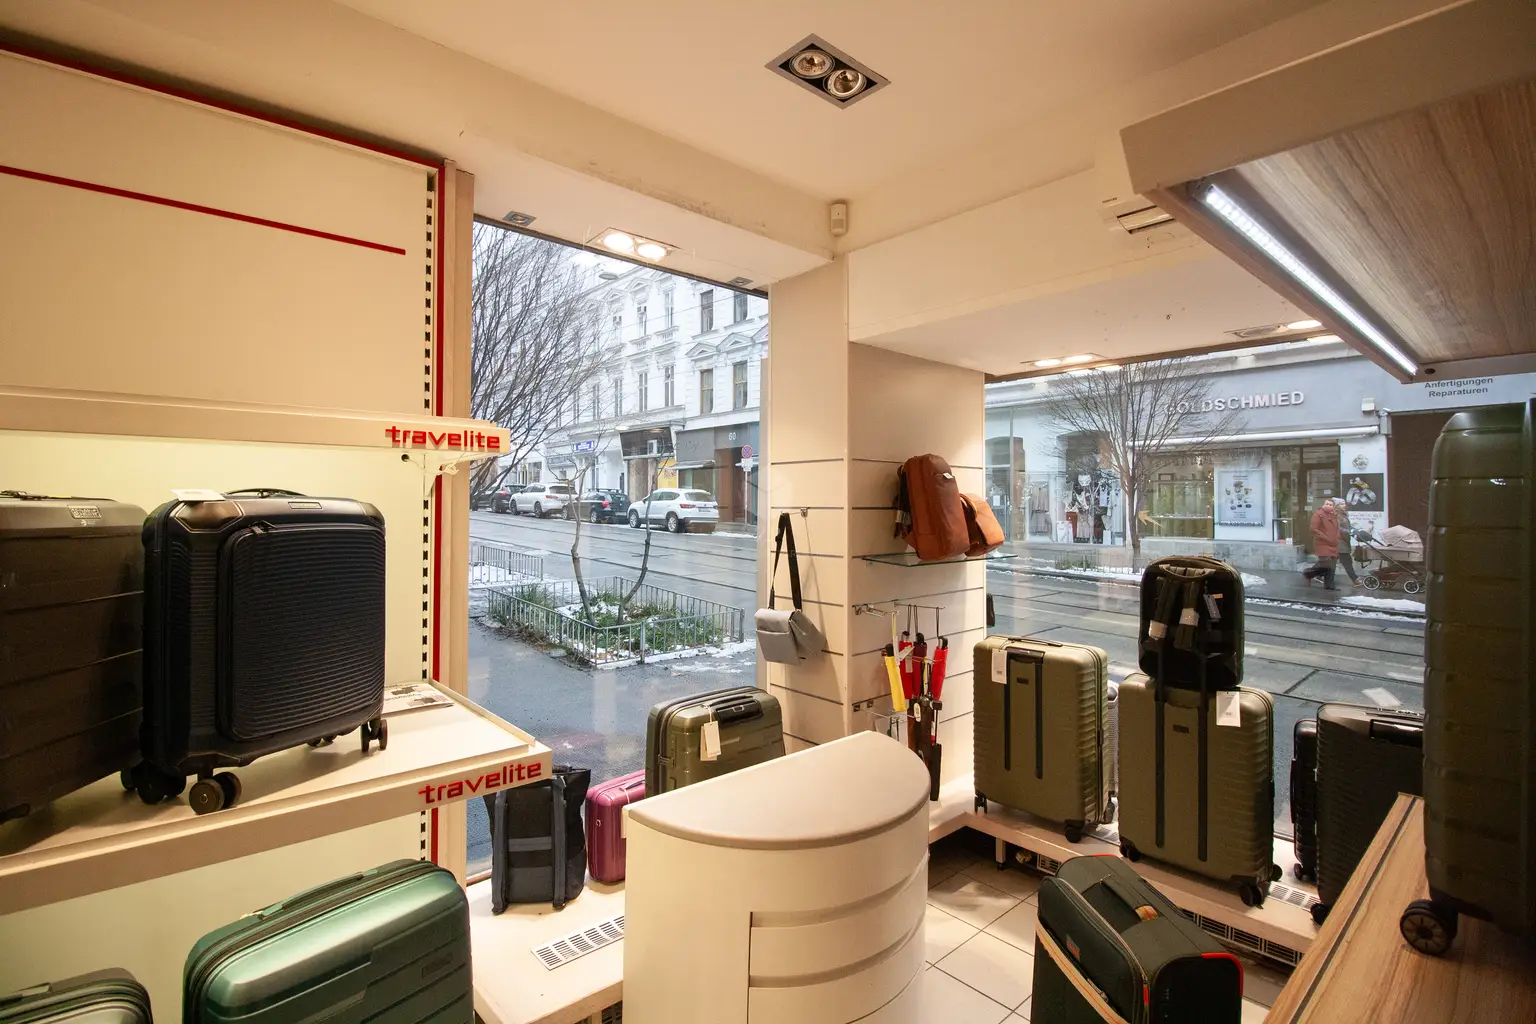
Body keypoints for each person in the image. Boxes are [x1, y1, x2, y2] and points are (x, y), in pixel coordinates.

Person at [1303, 501, 1340, 590]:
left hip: (1333, 544)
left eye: (1331, 505)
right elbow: (1313, 529)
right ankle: (1308, 573)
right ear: (1323, 505)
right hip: (1323, 543)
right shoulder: (1318, 514)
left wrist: (1338, 537)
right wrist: (1325, 537)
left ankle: (1329, 585)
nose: (1329, 506)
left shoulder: (1334, 515)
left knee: (1332, 565)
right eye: (1327, 504)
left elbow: (1336, 529)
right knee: (1325, 564)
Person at [1331, 497, 1360, 587]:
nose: (1344, 505)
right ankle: (1355, 580)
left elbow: (1347, 526)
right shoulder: (1335, 515)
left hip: (1343, 541)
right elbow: (1337, 528)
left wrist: (1355, 530)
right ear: (1337, 506)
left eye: (1344, 503)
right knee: (1347, 561)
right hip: (1339, 542)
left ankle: (1317, 575)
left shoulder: (1343, 514)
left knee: (1332, 562)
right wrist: (1349, 531)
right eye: (1341, 504)